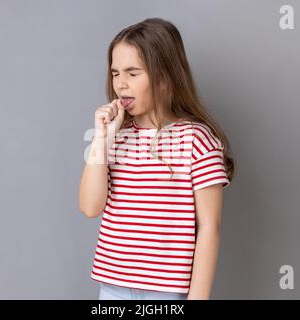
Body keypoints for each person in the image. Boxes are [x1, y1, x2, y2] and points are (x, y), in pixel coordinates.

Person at [79, 17, 235, 300]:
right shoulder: (116, 137)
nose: (121, 84)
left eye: (133, 73)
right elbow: (90, 207)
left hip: (165, 292)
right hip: (112, 287)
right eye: (115, 73)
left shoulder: (197, 140)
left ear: (165, 77)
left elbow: (210, 227)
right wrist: (101, 140)